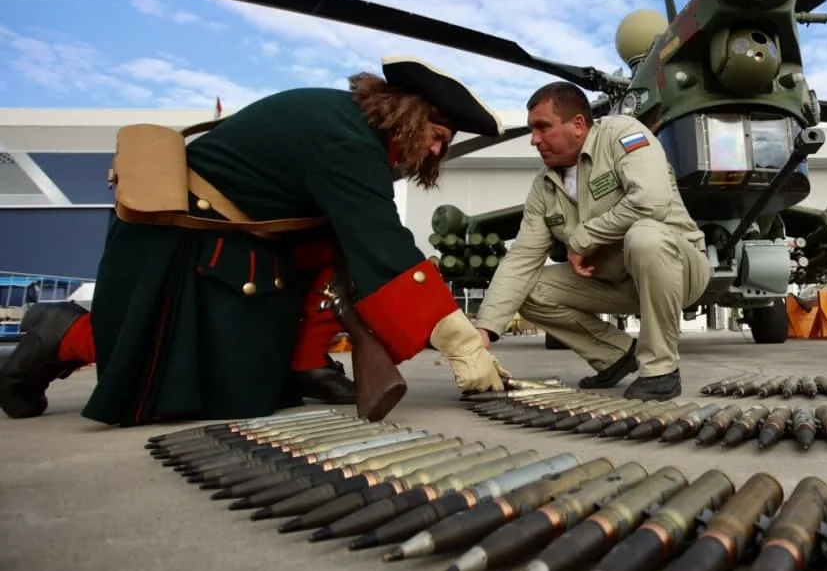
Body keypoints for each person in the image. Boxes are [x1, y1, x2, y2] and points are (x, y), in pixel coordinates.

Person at [0, 57, 514, 424]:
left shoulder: (350, 130)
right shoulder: (348, 142)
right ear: (409, 115)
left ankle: (302, 365)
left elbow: (349, 251)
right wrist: (460, 340)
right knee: (182, 364)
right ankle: (58, 335)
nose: (432, 149)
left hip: (241, 238)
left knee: (252, 367)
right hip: (188, 232)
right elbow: (385, 245)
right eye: (435, 135)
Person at [471, 82, 710, 401]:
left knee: (645, 236)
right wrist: (483, 331)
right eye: (532, 130)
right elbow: (520, 260)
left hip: (678, 270)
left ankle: (660, 369)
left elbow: (651, 202)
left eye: (543, 127)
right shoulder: (544, 188)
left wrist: (582, 238)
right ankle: (616, 356)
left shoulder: (620, 134)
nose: (534, 140)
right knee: (527, 288)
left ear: (578, 125)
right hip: (614, 283)